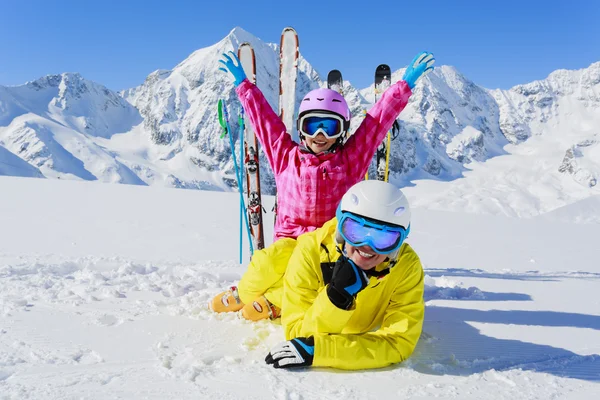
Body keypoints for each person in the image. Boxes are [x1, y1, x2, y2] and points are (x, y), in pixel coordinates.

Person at [211, 51, 433, 320]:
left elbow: (376, 123)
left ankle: (274, 301)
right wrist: (243, 85)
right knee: (269, 262)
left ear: (342, 131)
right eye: (313, 125)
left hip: (328, 243)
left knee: (317, 282)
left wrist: (403, 86)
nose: (320, 135)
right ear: (301, 128)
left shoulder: (351, 159)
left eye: (329, 126)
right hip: (290, 239)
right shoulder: (285, 155)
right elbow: (264, 121)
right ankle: (242, 293)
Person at [264, 179, 424, 370]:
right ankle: (262, 297)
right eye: (355, 231)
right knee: (271, 267)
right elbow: (297, 333)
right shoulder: (311, 250)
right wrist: (336, 297)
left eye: (384, 238)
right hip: (297, 292)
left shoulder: (406, 266)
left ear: (398, 244)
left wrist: (321, 350)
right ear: (340, 229)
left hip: (355, 321)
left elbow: (399, 342)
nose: (367, 246)